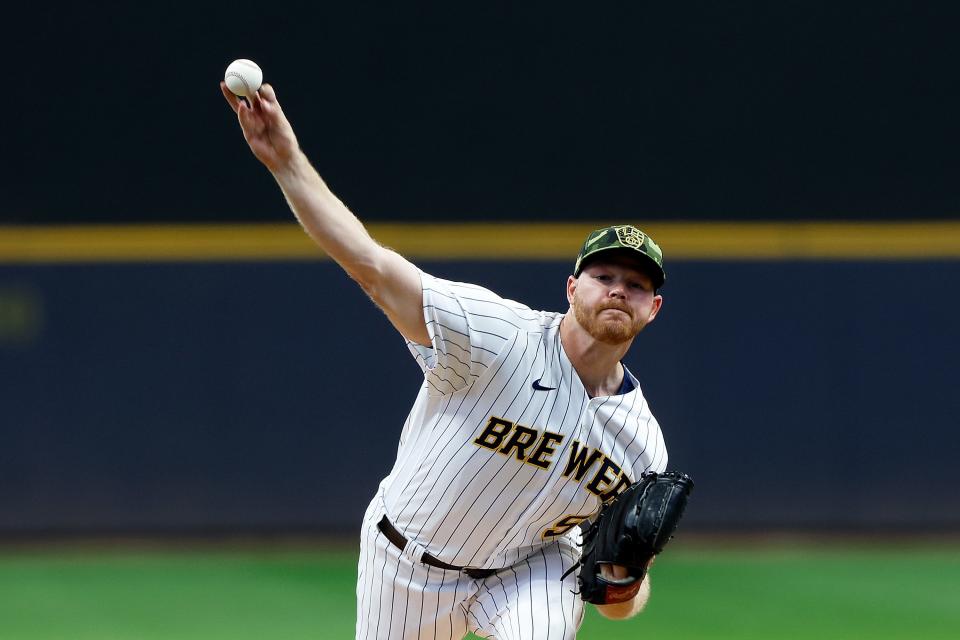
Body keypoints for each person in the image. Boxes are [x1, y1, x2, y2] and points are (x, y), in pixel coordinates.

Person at [221, 81, 669, 640]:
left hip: (530, 569)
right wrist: (287, 162)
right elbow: (372, 267)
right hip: (406, 563)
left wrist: (628, 583)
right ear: (572, 287)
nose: (618, 290)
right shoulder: (494, 335)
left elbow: (619, 598)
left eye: (635, 284)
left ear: (653, 308)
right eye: (605, 276)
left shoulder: (640, 443)